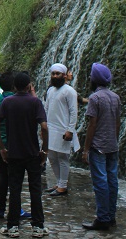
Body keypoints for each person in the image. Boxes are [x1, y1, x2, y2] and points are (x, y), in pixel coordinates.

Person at [0, 72, 49, 238]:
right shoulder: (35, 102)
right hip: (32, 153)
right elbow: (45, 127)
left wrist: (3, 148)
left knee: (15, 190)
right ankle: (38, 227)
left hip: (13, 153)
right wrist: (44, 150)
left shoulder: (7, 102)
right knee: (35, 190)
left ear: (13, 87)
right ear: (28, 86)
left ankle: (12, 227)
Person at [82, 63, 121, 231]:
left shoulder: (95, 98)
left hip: (98, 146)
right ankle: (111, 216)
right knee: (112, 181)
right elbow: (118, 122)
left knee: (100, 182)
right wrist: (115, 139)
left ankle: (102, 218)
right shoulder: (116, 97)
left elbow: (92, 124)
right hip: (112, 145)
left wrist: (86, 149)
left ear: (94, 79)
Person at [44, 63, 80, 197]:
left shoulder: (69, 91)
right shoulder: (50, 90)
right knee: (52, 157)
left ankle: (63, 186)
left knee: (63, 157)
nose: (55, 76)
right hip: (51, 128)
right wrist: (44, 127)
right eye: (53, 74)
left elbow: (73, 111)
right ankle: (59, 183)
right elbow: (46, 109)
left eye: (57, 74)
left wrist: (70, 130)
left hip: (63, 130)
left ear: (64, 76)